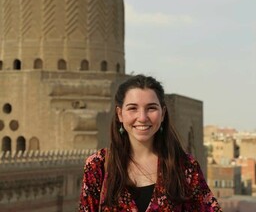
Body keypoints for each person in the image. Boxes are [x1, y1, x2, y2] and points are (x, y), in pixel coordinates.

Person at [79, 74, 222, 211]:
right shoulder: (98, 166)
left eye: (151, 108)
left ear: (163, 113)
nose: (142, 117)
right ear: (120, 114)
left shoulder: (184, 167)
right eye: (133, 108)